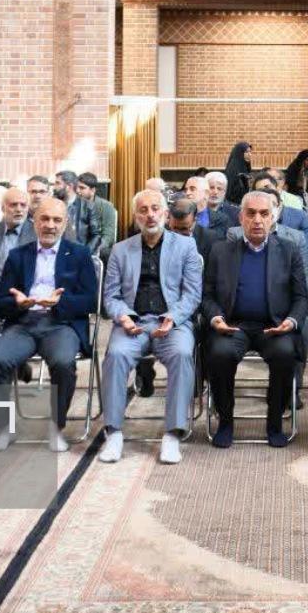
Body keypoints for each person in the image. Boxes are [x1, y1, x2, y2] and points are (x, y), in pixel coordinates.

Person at [0, 197, 97, 453]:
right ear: (34, 222)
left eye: (57, 220)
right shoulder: (17, 255)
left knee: (63, 363)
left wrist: (59, 302)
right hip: (23, 323)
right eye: (44, 219)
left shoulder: (79, 254)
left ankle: (56, 427)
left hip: (61, 324)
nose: (50, 225)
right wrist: (18, 303)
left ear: (65, 223)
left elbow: (90, 300)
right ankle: (5, 427)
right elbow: (1, 303)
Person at [99, 190, 202, 465]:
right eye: (143, 210)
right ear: (136, 217)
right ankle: (113, 432)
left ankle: (172, 433)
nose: (150, 215)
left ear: (166, 214)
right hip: (133, 323)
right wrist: (123, 317)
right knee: (115, 355)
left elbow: (192, 294)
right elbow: (111, 296)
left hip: (172, 323)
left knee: (182, 354)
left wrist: (173, 317)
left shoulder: (186, 247)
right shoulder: (121, 250)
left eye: (155, 208)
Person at [203, 191, 308, 447]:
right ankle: (225, 422)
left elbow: (301, 297)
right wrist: (215, 317)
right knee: (219, 354)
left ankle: (275, 423)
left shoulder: (289, 250)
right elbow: (207, 295)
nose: (257, 220)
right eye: (251, 214)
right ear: (241, 218)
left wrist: (291, 321)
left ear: (273, 218)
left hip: (274, 327)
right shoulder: (221, 251)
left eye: (264, 214)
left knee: (285, 354)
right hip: (232, 326)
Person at [0, 187, 35, 301]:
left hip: (26, 294)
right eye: (13, 205)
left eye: (23, 205)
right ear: (3, 208)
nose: (19, 209)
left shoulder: (37, 234)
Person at [63, 174, 104, 255]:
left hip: (83, 250)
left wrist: (85, 253)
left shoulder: (91, 206)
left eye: (82, 188)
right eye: (77, 187)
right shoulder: (63, 204)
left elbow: (97, 235)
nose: (78, 191)